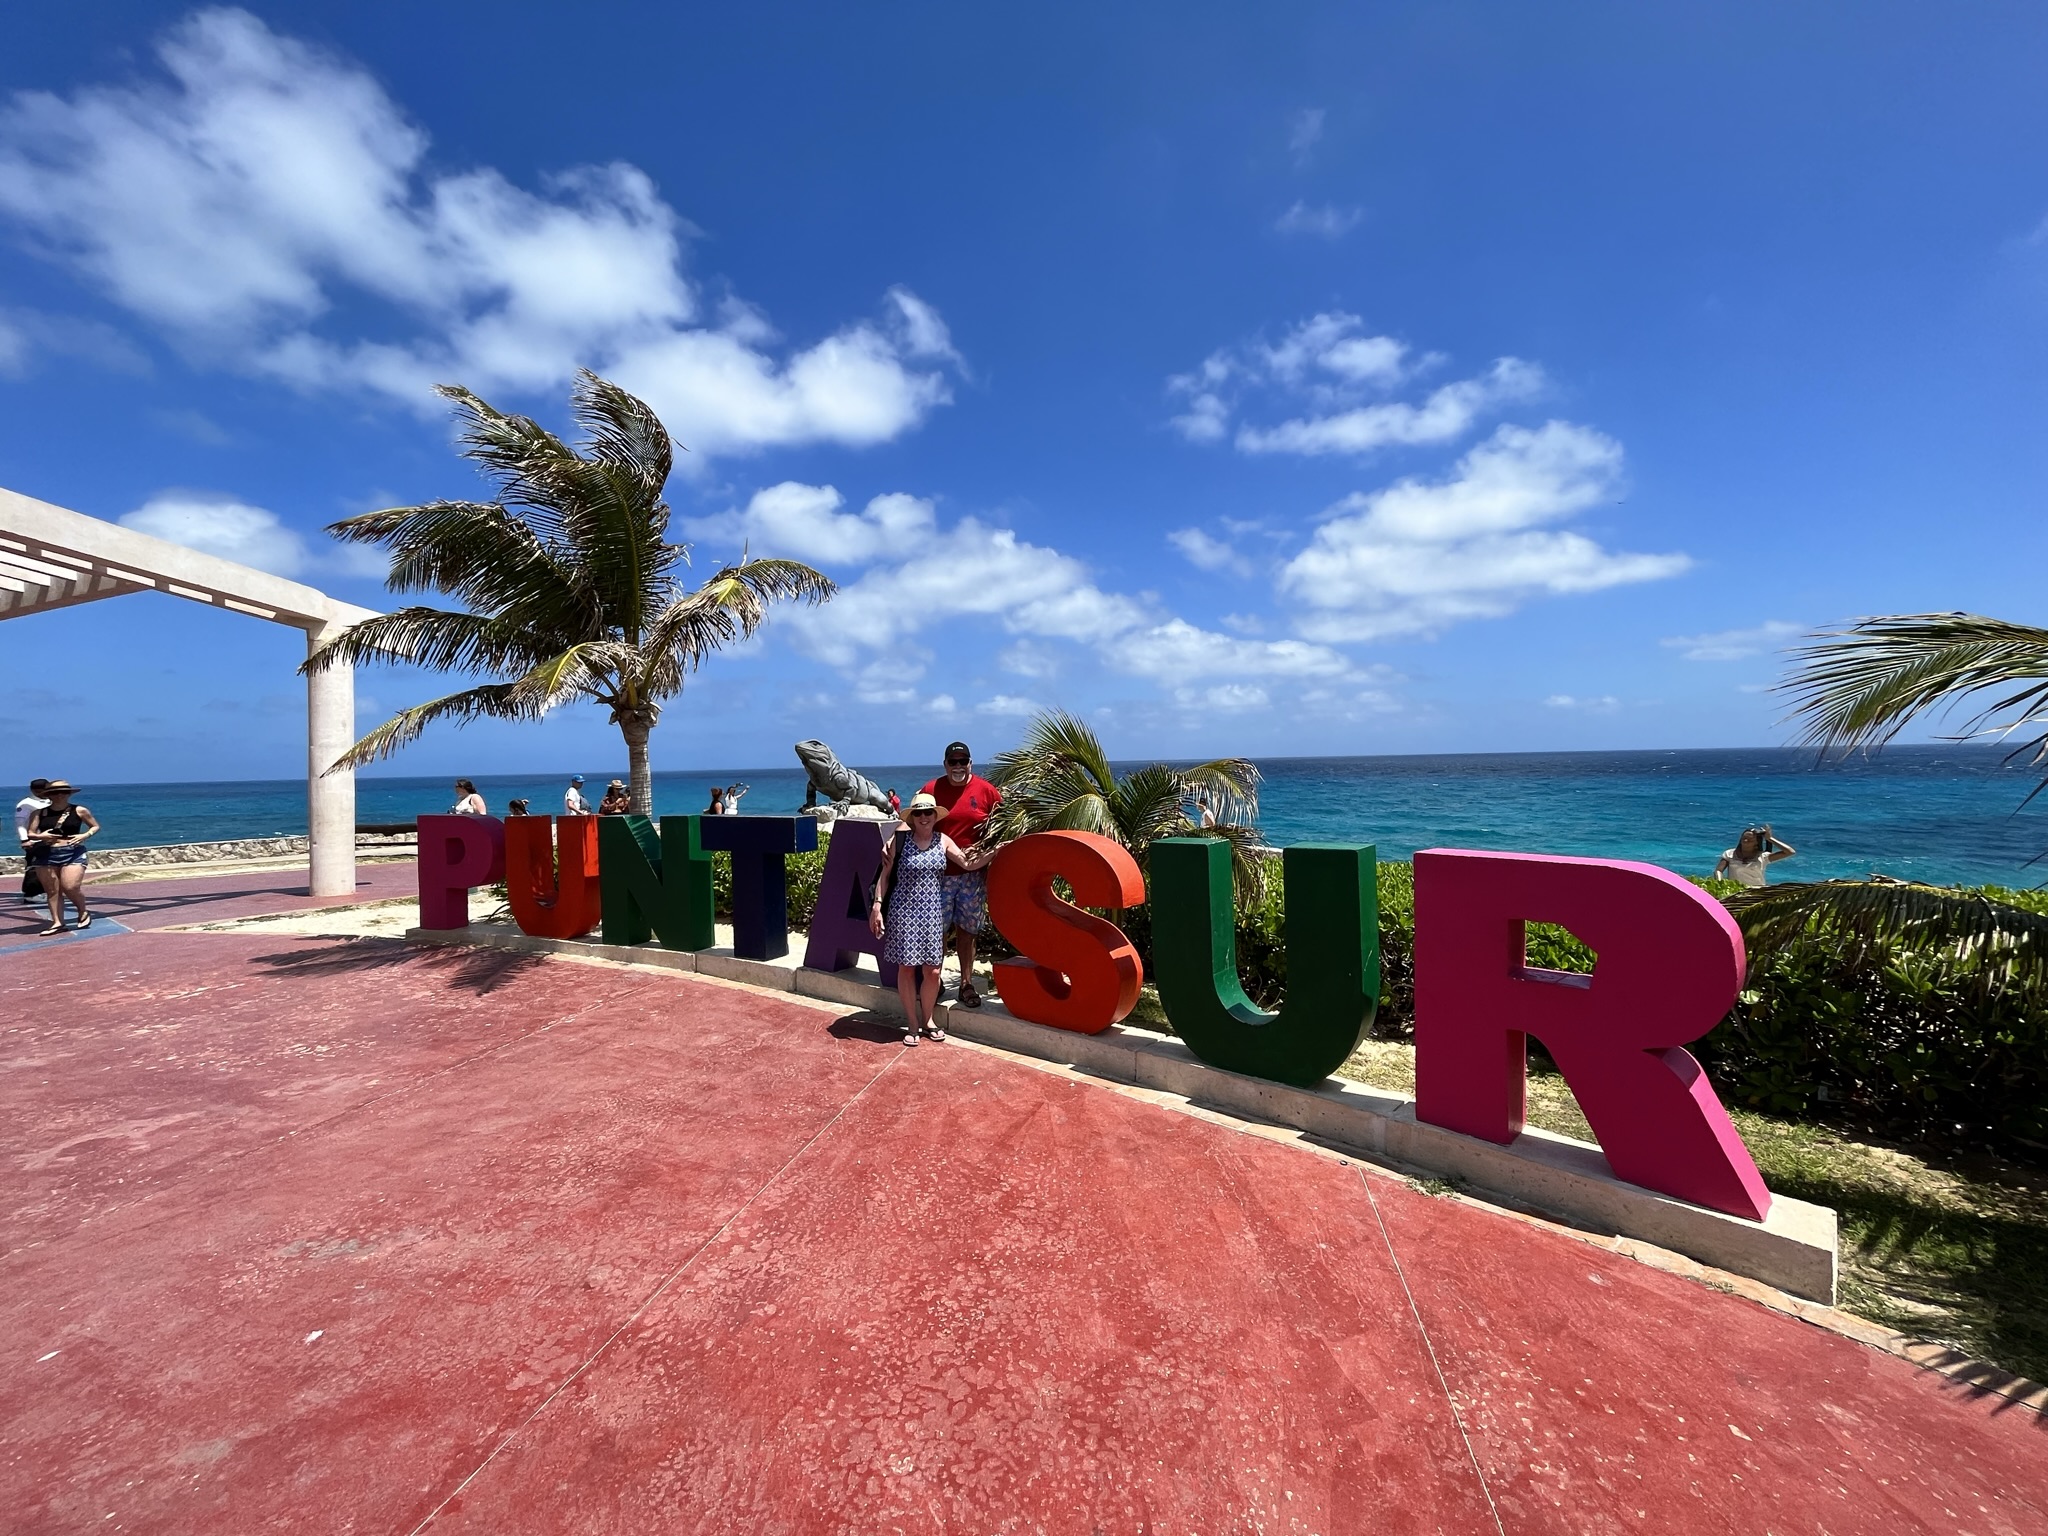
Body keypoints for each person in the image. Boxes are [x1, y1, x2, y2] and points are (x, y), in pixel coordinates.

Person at [869, 792, 985, 1044]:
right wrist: (877, 906)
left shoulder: (943, 841)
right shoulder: (899, 842)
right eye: (918, 813)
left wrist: (997, 849)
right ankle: (912, 1023)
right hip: (903, 912)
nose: (924, 817)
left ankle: (928, 1019)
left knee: (933, 970)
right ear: (912, 817)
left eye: (928, 812)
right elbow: (884, 876)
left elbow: (967, 863)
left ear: (935, 816)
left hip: (932, 913)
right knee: (907, 968)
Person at [920, 741, 1003, 1008]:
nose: (958, 766)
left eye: (963, 761)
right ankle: (935, 980)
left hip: (972, 877)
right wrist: (891, 841)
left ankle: (966, 984)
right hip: (938, 876)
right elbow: (914, 823)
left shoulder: (986, 791)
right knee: (938, 931)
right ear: (945, 764)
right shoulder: (930, 790)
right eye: (953, 762)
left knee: (968, 931)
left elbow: (1003, 826)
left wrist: (986, 851)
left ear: (970, 763)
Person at [25, 780, 97, 934]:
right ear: (48, 795)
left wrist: (85, 835)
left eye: (63, 792)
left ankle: (83, 910)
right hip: (46, 853)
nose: (59, 795)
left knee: (70, 886)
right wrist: (41, 836)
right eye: (55, 792)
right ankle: (57, 922)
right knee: (52, 890)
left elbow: (95, 826)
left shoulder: (79, 810)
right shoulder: (39, 813)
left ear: (68, 794)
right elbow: (30, 833)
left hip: (73, 851)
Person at [1715, 825, 1796, 889]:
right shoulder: (1729, 854)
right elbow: (1719, 870)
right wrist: (1721, 885)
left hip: (1757, 893)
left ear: (1757, 843)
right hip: (1735, 891)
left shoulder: (1763, 857)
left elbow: (1790, 852)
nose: (1745, 841)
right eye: (1744, 838)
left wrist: (1770, 839)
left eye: (1750, 839)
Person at [15, 776, 49, 906]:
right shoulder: (26, 804)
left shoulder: (49, 801)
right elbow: (20, 823)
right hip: (34, 840)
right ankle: (31, 894)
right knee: (34, 867)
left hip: (49, 839)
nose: (41, 793)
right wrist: (24, 840)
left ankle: (45, 890)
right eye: (38, 790)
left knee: (47, 867)